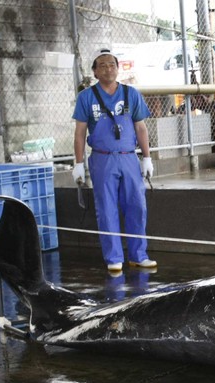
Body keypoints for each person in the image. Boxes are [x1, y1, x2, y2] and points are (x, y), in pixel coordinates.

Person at [72, 48, 156, 274]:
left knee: (137, 206)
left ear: (118, 69)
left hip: (129, 157)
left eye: (112, 65)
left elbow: (140, 127)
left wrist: (146, 157)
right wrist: (78, 163)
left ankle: (139, 255)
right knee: (107, 208)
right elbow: (80, 133)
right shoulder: (86, 98)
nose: (108, 69)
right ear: (94, 72)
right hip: (102, 158)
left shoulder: (131, 94)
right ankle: (114, 257)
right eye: (103, 65)